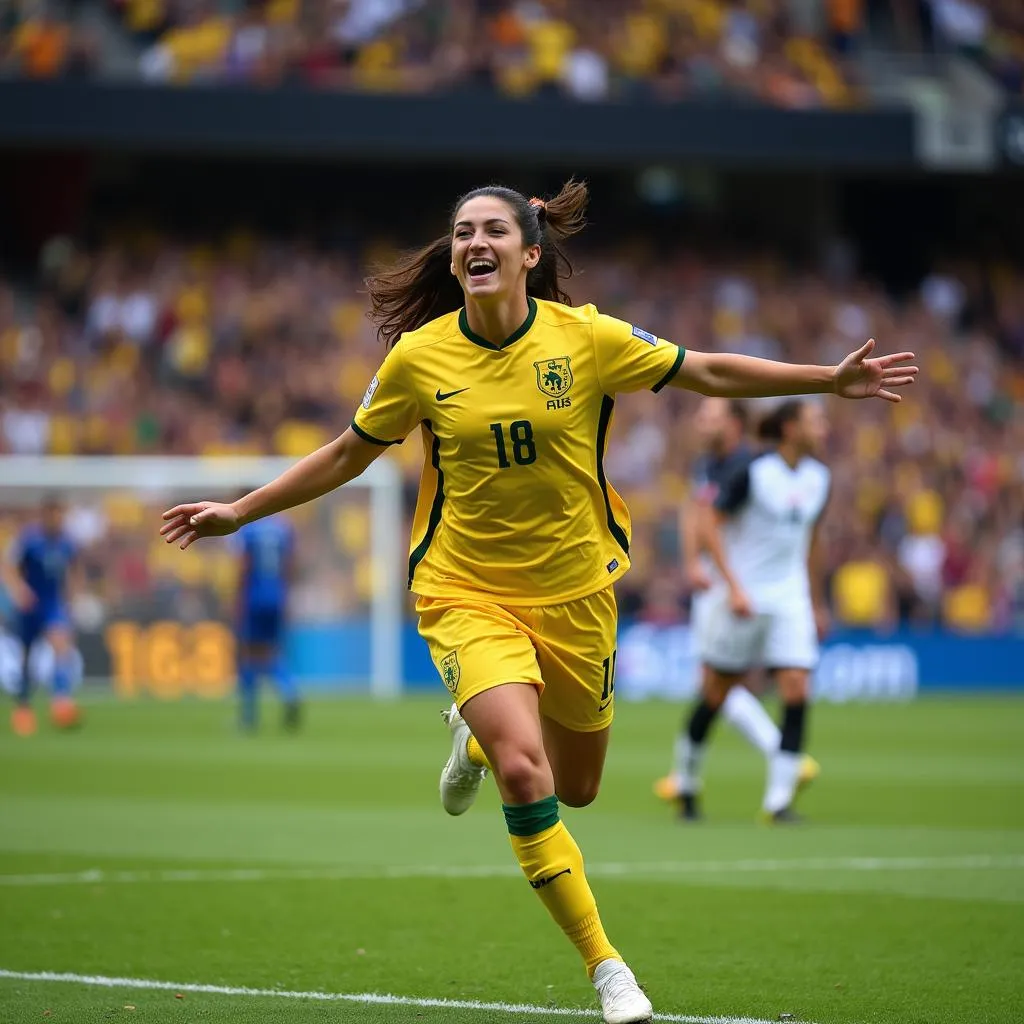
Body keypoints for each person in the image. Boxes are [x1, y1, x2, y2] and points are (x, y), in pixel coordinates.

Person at [159, 181, 916, 1024]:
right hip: (464, 591)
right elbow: (346, 455)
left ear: (529, 254)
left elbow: (701, 369)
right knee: (529, 771)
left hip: (576, 595)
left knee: (578, 785)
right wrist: (241, 508)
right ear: (454, 257)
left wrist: (825, 380)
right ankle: (609, 970)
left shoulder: (585, 338)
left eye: (490, 231)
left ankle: (473, 740)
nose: (471, 243)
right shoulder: (420, 358)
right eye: (459, 233)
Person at [654, 397, 819, 817]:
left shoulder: (762, 469)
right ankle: (688, 782)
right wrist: (698, 565)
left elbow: (806, 537)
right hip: (731, 589)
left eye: (710, 416)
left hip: (763, 592)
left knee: (794, 685)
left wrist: (814, 597)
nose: (700, 422)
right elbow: (699, 514)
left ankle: (778, 800)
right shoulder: (714, 465)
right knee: (714, 688)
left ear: (735, 423)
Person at [2, 496, 82, 735]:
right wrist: (18, 590)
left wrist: (74, 595)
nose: (58, 519)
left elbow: (75, 569)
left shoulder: (66, 542)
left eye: (61, 514)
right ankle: (23, 708)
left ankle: (61, 702)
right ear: (45, 514)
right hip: (30, 606)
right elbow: (9, 566)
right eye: (54, 514)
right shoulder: (30, 539)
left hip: (52, 604)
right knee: (27, 659)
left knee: (61, 646)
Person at [233, 513, 300, 731]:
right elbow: (289, 566)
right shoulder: (282, 528)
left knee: (249, 654)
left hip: (254, 596)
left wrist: (238, 599)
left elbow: (245, 566)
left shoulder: (248, 530)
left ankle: (248, 717)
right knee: (272, 652)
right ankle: (290, 690)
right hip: (277, 595)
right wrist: (286, 596)